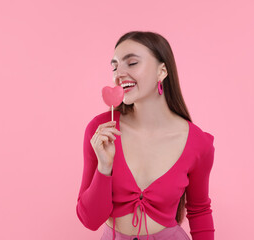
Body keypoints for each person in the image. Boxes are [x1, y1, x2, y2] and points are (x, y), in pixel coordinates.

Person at [76, 31, 215, 240]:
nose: (118, 74)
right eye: (114, 66)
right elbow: (90, 220)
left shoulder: (197, 143)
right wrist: (104, 168)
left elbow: (200, 212)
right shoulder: (101, 130)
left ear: (162, 71)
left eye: (131, 63)